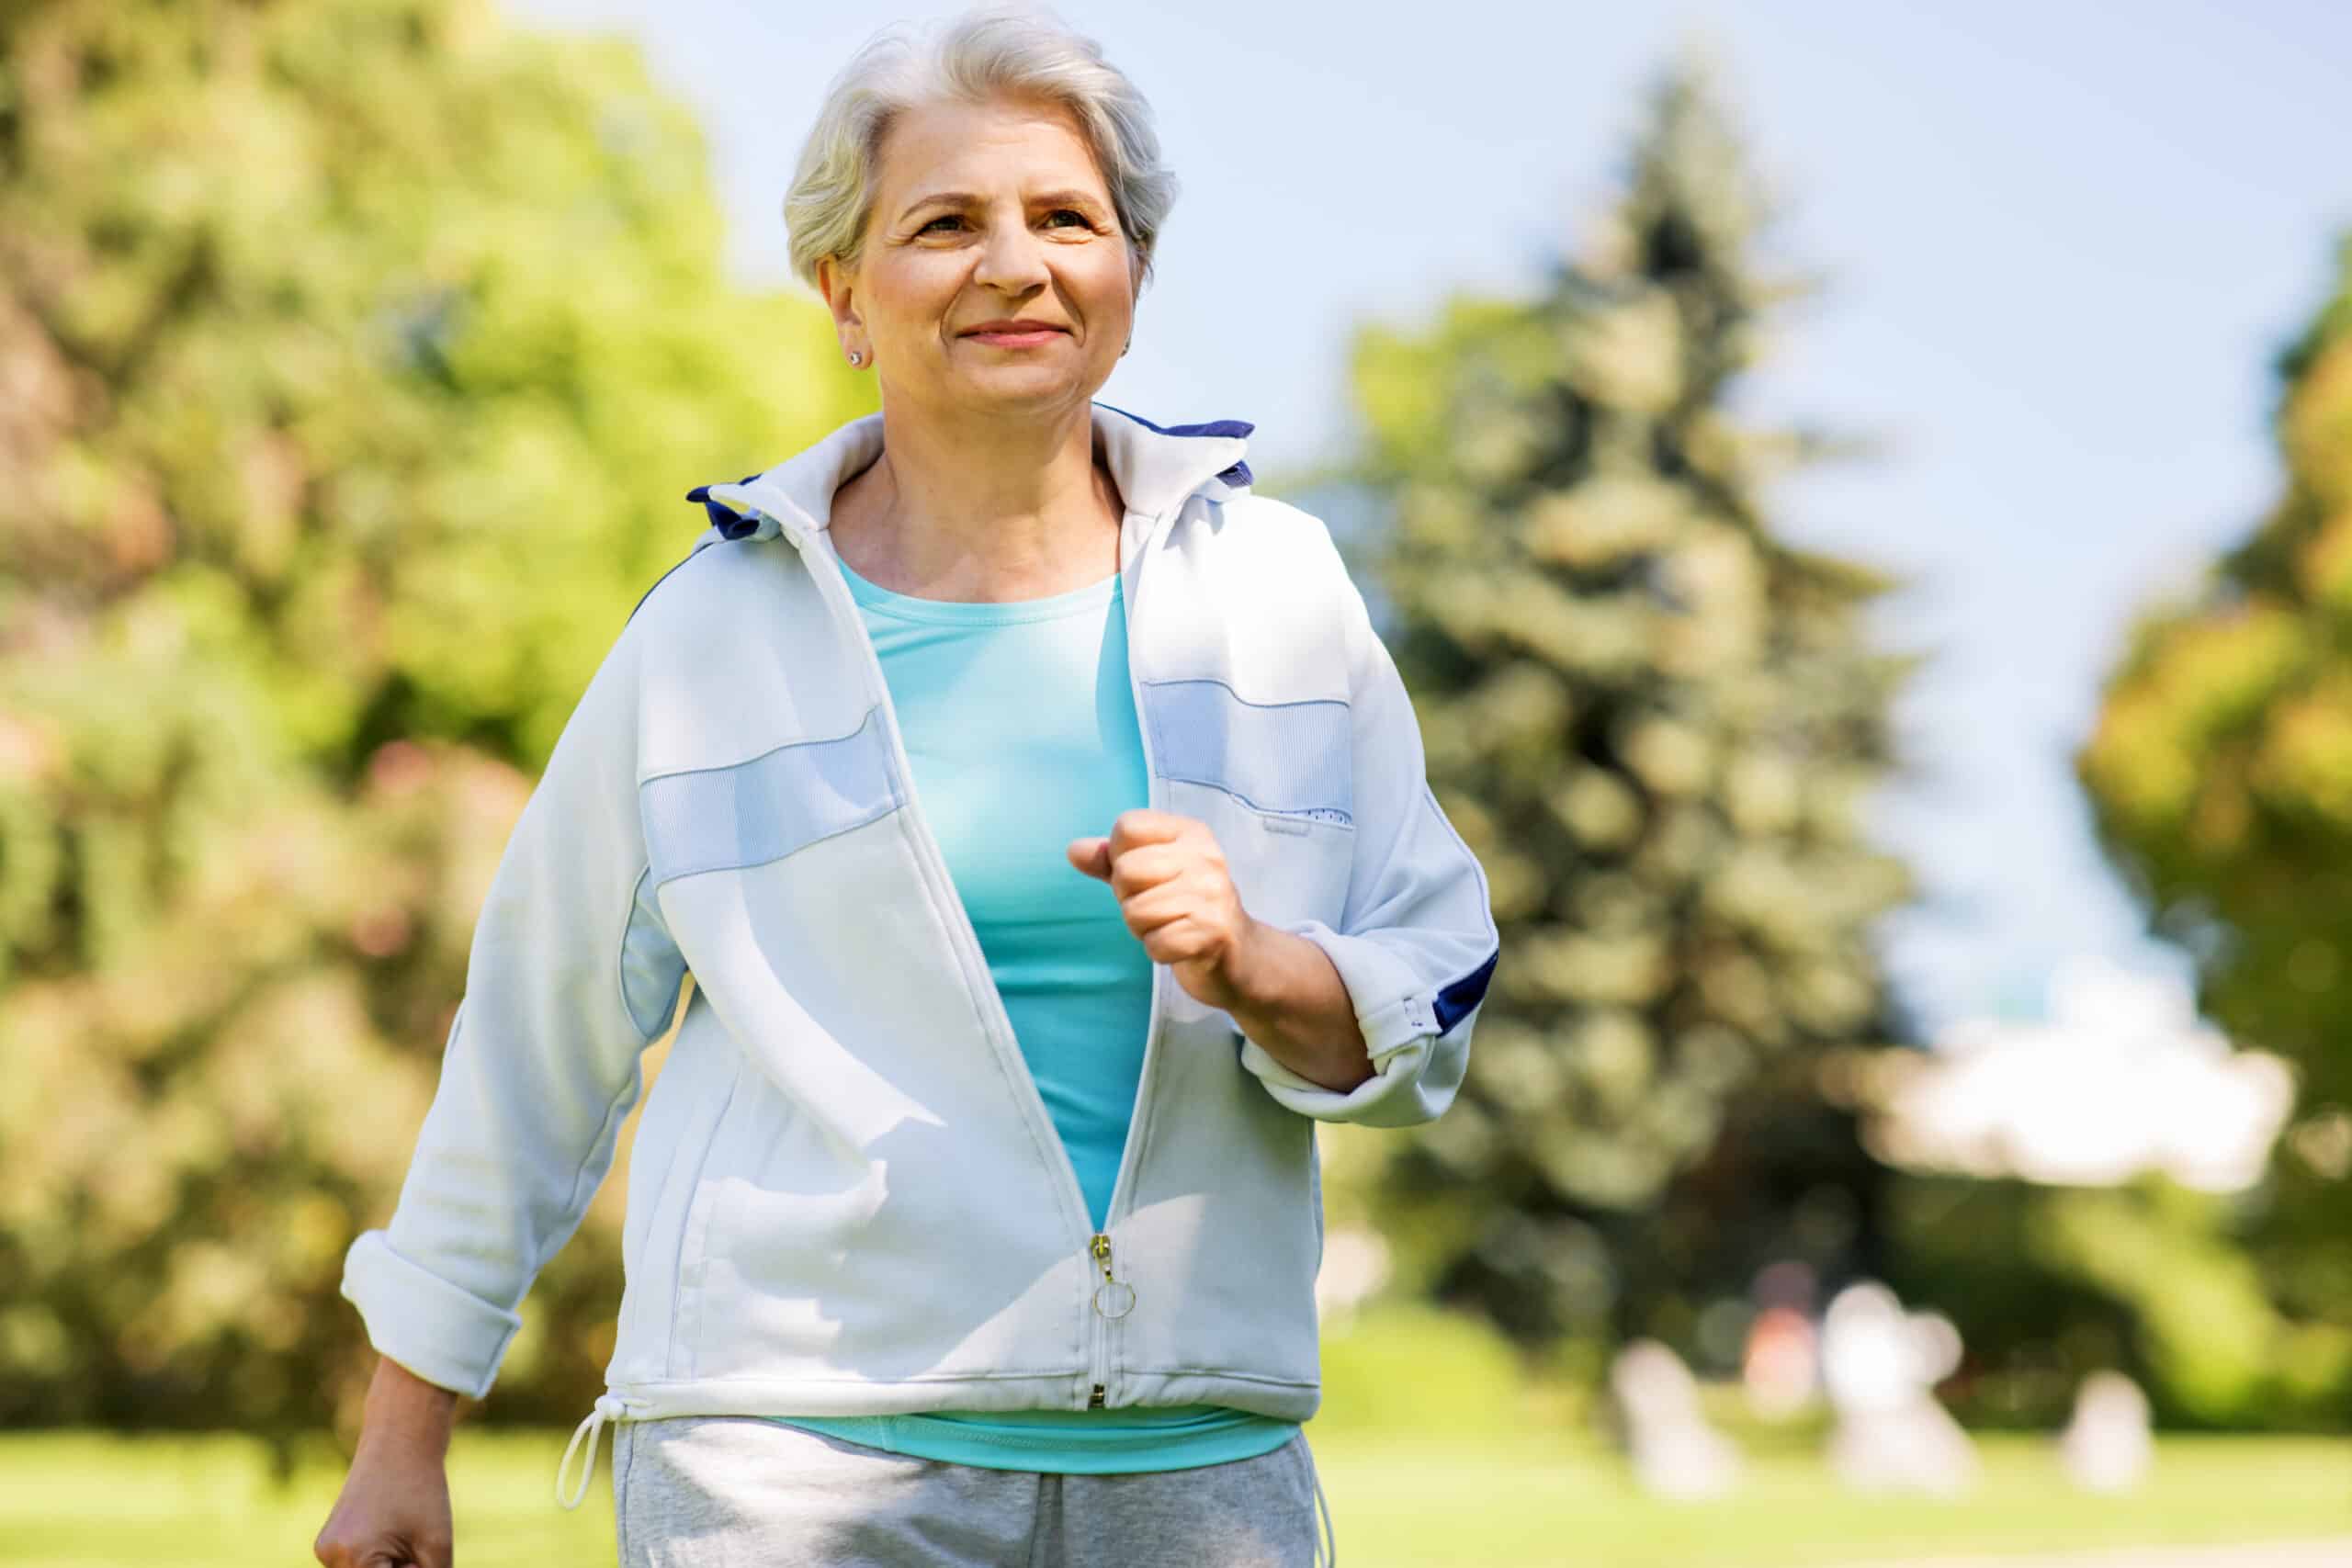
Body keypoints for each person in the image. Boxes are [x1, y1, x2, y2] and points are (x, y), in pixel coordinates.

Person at [313, 7, 1498, 1566]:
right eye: (945, 225)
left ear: (1129, 281)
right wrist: (405, 1434)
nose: (1015, 264)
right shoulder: (712, 638)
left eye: (1066, 218)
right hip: (788, 1460)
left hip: (1197, 1465)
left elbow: (1429, 989)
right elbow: (535, 1039)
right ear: (845, 293)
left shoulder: (1279, 593)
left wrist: (1258, 966)